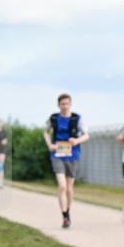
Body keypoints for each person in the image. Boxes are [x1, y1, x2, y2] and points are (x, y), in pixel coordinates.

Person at [44, 94, 90, 228]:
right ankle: (64, 215)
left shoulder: (77, 119)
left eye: (67, 104)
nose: (65, 106)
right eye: (62, 104)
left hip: (73, 155)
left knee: (69, 188)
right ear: (58, 105)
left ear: (71, 104)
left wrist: (77, 140)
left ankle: (67, 212)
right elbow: (46, 132)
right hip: (57, 155)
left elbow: (87, 135)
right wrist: (49, 145)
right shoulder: (53, 118)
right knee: (62, 186)